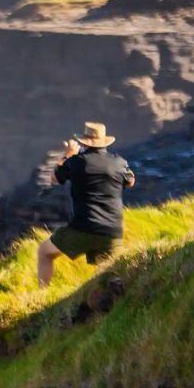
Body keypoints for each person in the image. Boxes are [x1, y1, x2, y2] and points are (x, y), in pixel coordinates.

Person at [35, 120, 136, 286]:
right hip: (113, 230)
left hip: (84, 227)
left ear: (84, 142)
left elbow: (55, 177)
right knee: (109, 275)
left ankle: (41, 295)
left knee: (45, 252)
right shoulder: (119, 162)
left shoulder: (77, 162)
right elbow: (130, 181)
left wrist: (68, 154)